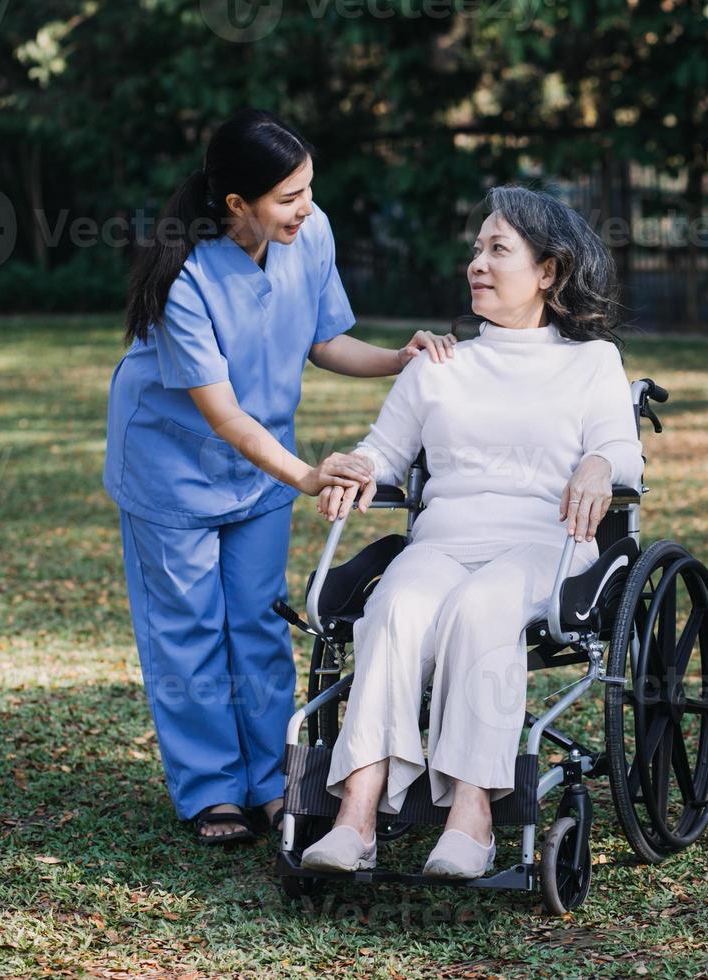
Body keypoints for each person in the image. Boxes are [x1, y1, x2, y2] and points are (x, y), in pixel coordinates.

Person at [103, 108, 456, 845]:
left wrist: (399, 357)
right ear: (238, 205)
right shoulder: (187, 278)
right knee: (190, 631)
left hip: (264, 468)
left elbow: (326, 340)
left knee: (260, 624)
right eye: (289, 196)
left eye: (309, 189)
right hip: (175, 468)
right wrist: (306, 475)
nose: (307, 207)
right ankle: (209, 790)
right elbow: (225, 416)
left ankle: (271, 782)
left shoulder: (310, 234)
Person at [298, 185, 642, 878]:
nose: (476, 264)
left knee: (483, 609)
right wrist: (355, 467)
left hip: (543, 545)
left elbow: (621, 449)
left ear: (549, 271)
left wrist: (600, 463)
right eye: (476, 250)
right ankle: (357, 814)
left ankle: (473, 815)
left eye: (497, 250)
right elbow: (383, 449)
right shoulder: (440, 363)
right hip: (446, 540)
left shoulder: (591, 361)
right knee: (393, 607)